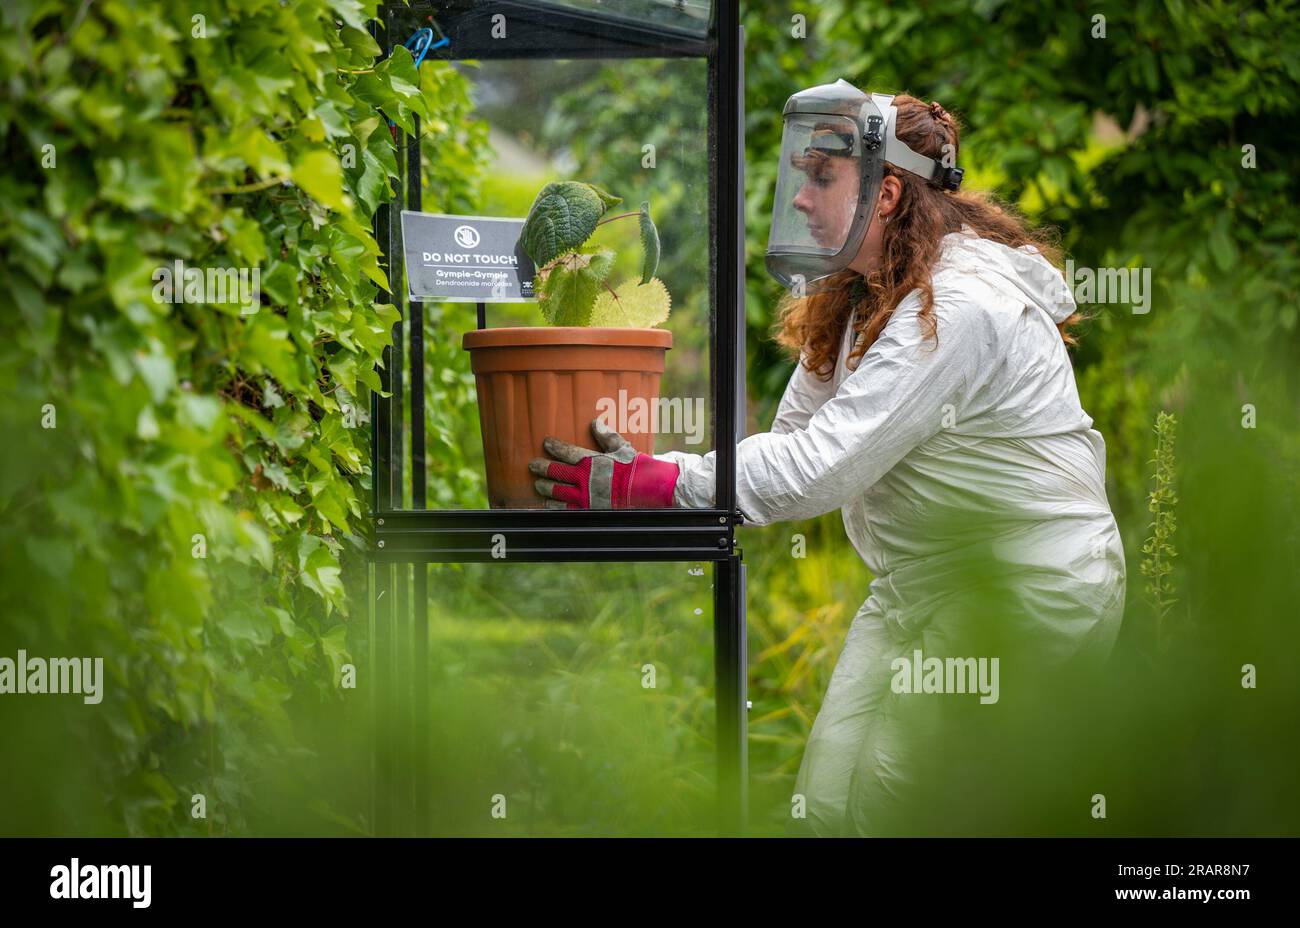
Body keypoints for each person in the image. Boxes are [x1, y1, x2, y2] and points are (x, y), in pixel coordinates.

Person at [528, 82, 1126, 836]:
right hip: (921, 582)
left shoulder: (963, 306)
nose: (800, 200)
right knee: (828, 796)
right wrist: (662, 474)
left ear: (886, 194)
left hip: (1029, 586)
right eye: (800, 175)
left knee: (895, 801)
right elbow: (792, 446)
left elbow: (820, 468)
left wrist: (657, 481)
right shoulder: (862, 296)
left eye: (822, 177)